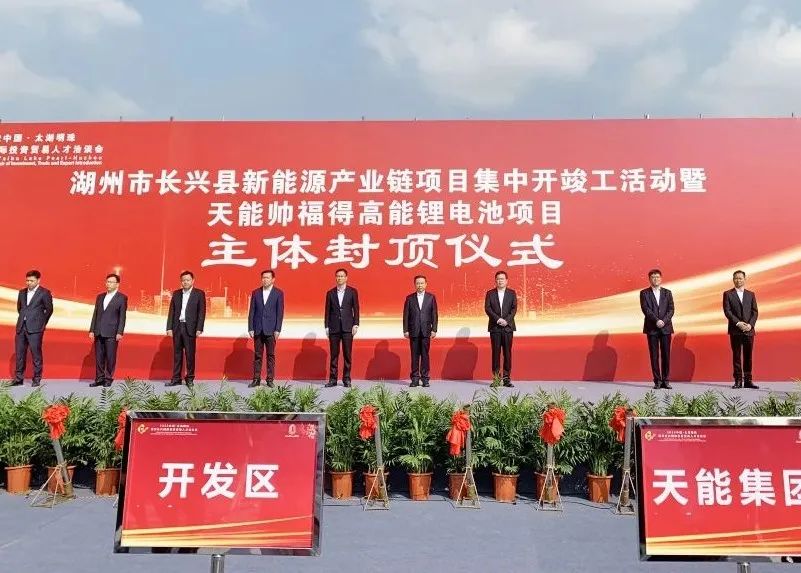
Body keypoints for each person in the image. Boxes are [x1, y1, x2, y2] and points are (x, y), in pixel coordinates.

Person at [12, 270, 54, 387]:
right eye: (27, 280)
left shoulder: (44, 293)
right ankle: (19, 378)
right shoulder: (22, 292)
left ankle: (36, 378)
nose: (29, 283)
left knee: (36, 355)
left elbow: (49, 310)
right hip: (21, 327)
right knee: (20, 354)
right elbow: (20, 308)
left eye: (32, 281)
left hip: (35, 329)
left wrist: (41, 322)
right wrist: (24, 318)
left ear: (38, 280)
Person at [166, 271, 206, 388]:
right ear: (181, 281)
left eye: (188, 280)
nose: (185, 282)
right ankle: (176, 378)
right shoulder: (176, 294)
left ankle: (190, 379)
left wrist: (199, 328)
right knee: (177, 355)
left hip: (191, 328)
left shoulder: (199, 294)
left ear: (193, 281)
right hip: (177, 327)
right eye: (183, 280)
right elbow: (171, 311)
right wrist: (169, 327)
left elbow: (201, 312)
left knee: (190, 355)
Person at [89, 273, 128, 387]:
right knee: (99, 357)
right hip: (98, 331)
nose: (108, 284)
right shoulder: (100, 297)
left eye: (111, 282)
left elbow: (122, 317)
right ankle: (99, 378)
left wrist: (120, 332)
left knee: (110, 357)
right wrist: (92, 330)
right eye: (107, 282)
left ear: (117, 284)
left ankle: (108, 378)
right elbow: (95, 314)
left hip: (112, 332)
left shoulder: (122, 298)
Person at [723, 270, 759, 389]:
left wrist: (750, 325)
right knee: (737, 356)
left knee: (748, 356)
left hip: (749, 330)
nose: (738, 280)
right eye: (736, 278)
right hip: (735, 330)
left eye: (740, 278)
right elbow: (727, 311)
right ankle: (738, 380)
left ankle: (748, 381)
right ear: (733, 280)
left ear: (744, 279)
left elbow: (755, 311)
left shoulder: (751, 294)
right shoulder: (728, 294)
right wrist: (738, 323)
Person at [639, 269, 674, 389]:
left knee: (666, 355)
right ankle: (657, 381)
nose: (655, 279)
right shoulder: (644, 293)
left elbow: (671, 309)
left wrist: (663, 321)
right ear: (649, 279)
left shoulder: (667, 293)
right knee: (654, 355)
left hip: (666, 327)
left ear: (661, 278)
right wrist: (656, 321)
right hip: (652, 328)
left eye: (657, 277)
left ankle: (666, 380)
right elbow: (645, 309)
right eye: (653, 277)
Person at [248, 269, 284, 388]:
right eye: (263, 277)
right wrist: (250, 327)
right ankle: (256, 379)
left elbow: (280, 313)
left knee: (270, 356)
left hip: (271, 330)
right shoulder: (256, 292)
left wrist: (278, 329)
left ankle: (270, 379)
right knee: (257, 356)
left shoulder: (278, 293)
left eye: (267, 278)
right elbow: (252, 311)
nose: (265, 280)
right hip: (258, 328)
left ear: (273, 279)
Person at [324, 268, 359, 387]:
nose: (339, 278)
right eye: (338, 276)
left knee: (347, 355)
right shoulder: (330, 293)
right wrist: (326, 326)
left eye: (342, 276)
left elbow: (356, 309)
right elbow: (327, 311)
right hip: (334, 327)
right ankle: (333, 379)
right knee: (334, 355)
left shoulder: (352, 292)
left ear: (346, 278)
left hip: (348, 327)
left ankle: (347, 379)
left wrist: (356, 324)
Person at [403, 275, 438, 388]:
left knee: (425, 356)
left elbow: (434, 314)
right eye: (418, 283)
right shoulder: (410, 298)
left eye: (422, 283)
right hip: (413, 331)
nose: (420, 285)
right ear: (415, 284)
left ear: (426, 284)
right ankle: (414, 379)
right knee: (414, 356)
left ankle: (425, 379)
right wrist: (405, 330)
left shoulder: (431, 297)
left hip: (426, 330)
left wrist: (434, 329)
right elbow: (406, 315)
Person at [484, 270, 516, 387]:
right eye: (498, 279)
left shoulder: (512, 293)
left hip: (508, 327)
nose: (500, 281)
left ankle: (507, 379)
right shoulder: (490, 293)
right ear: (495, 281)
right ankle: (496, 379)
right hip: (495, 327)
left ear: (506, 281)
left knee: (507, 354)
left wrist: (506, 320)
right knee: (496, 354)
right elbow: (487, 308)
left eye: (502, 279)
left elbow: (514, 309)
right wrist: (498, 319)